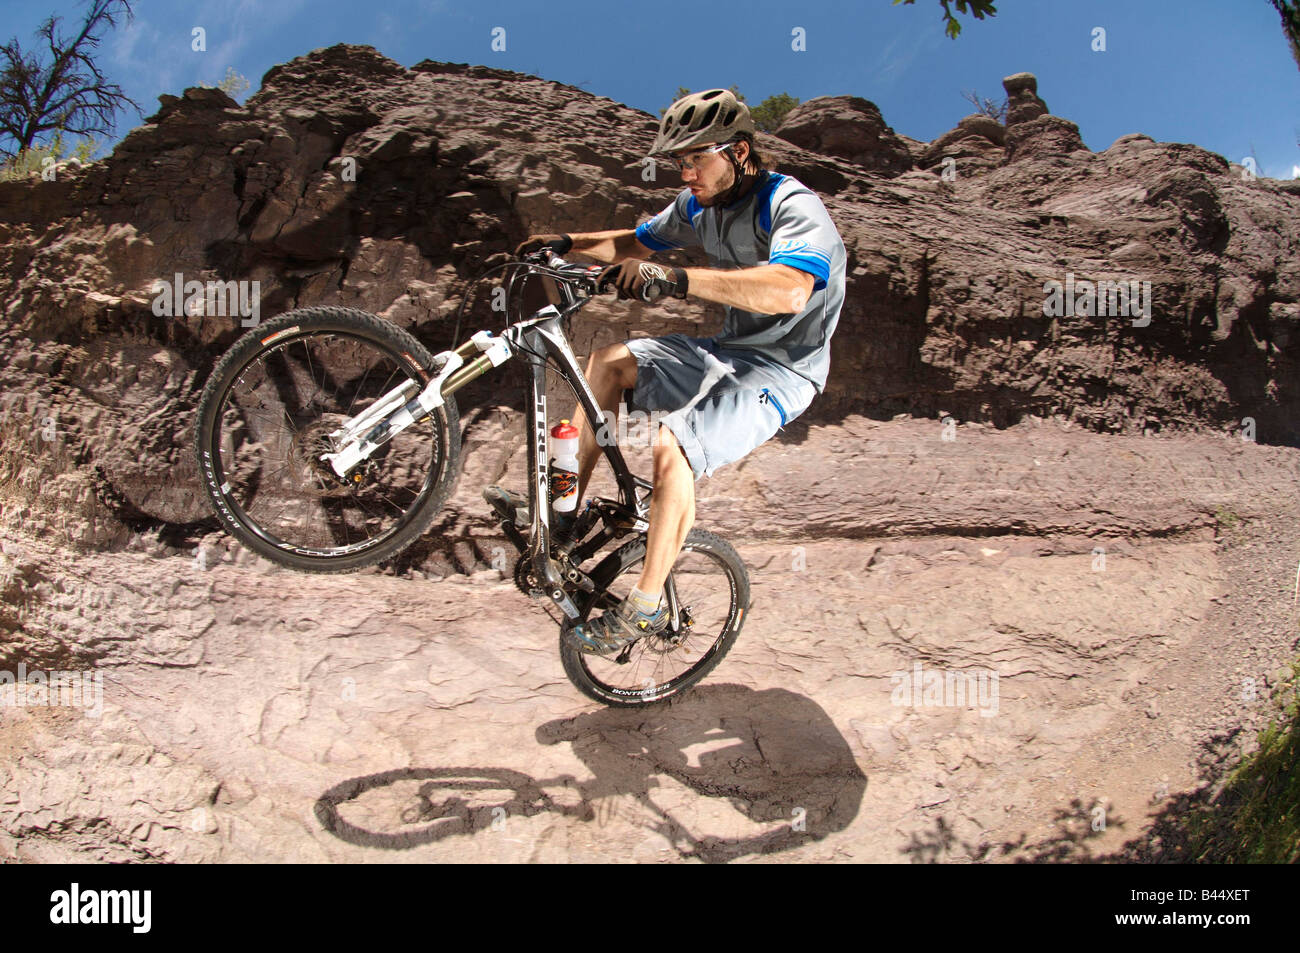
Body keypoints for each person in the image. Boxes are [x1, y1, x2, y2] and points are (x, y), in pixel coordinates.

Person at [510, 88, 846, 657]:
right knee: (610, 361)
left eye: (696, 157)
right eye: (678, 162)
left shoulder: (790, 205)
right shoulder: (698, 206)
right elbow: (634, 242)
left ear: (739, 151)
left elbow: (790, 290)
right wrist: (566, 244)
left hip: (785, 371)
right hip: (728, 350)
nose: (686, 172)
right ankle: (564, 515)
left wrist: (674, 279)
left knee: (674, 447)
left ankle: (641, 609)